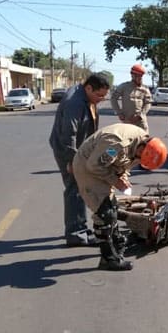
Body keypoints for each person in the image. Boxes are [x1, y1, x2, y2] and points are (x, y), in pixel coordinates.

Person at [72, 123, 167, 270]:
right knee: (104, 213)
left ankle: (116, 241)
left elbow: (127, 163)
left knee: (112, 207)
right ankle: (108, 259)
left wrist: (123, 176)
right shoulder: (116, 144)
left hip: (103, 168)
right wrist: (115, 181)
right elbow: (94, 166)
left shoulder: (143, 143)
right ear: (142, 148)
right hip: (87, 168)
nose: (138, 159)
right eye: (139, 157)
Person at [49, 74, 111, 246]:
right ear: (89, 88)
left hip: (80, 149)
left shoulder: (85, 96)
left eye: (103, 96)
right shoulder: (74, 103)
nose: (101, 99)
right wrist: (71, 161)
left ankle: (79, 227)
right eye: (99, 95)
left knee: (81, 187)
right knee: (75, 188)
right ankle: (76, 233)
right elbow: (68, 135)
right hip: (67, 150)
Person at [110, 63, 152, 132]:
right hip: (128, 121)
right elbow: (113, 98)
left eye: (141, 76)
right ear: (133, 76)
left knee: (144, 140)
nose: (140, 78)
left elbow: (148, 103)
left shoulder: (145, 88)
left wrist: (140, 116)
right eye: (138, 76)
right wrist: (119, 113)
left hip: (141, 121)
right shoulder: (124, 87)